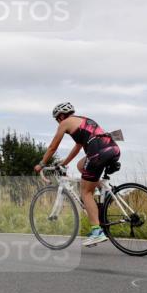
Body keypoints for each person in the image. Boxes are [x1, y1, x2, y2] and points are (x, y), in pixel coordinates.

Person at [34, 102, 120, 247]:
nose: (58, 122)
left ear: (60, 116)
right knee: (81, 166)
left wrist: (41, 164)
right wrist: (64, 162)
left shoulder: (65, 123)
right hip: (113, 148)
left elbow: (52, 147)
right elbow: (78, 147)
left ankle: (97, 232)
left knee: (86, 192)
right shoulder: (83, 120)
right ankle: (104, 187)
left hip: (98, 153)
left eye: (57, 119)